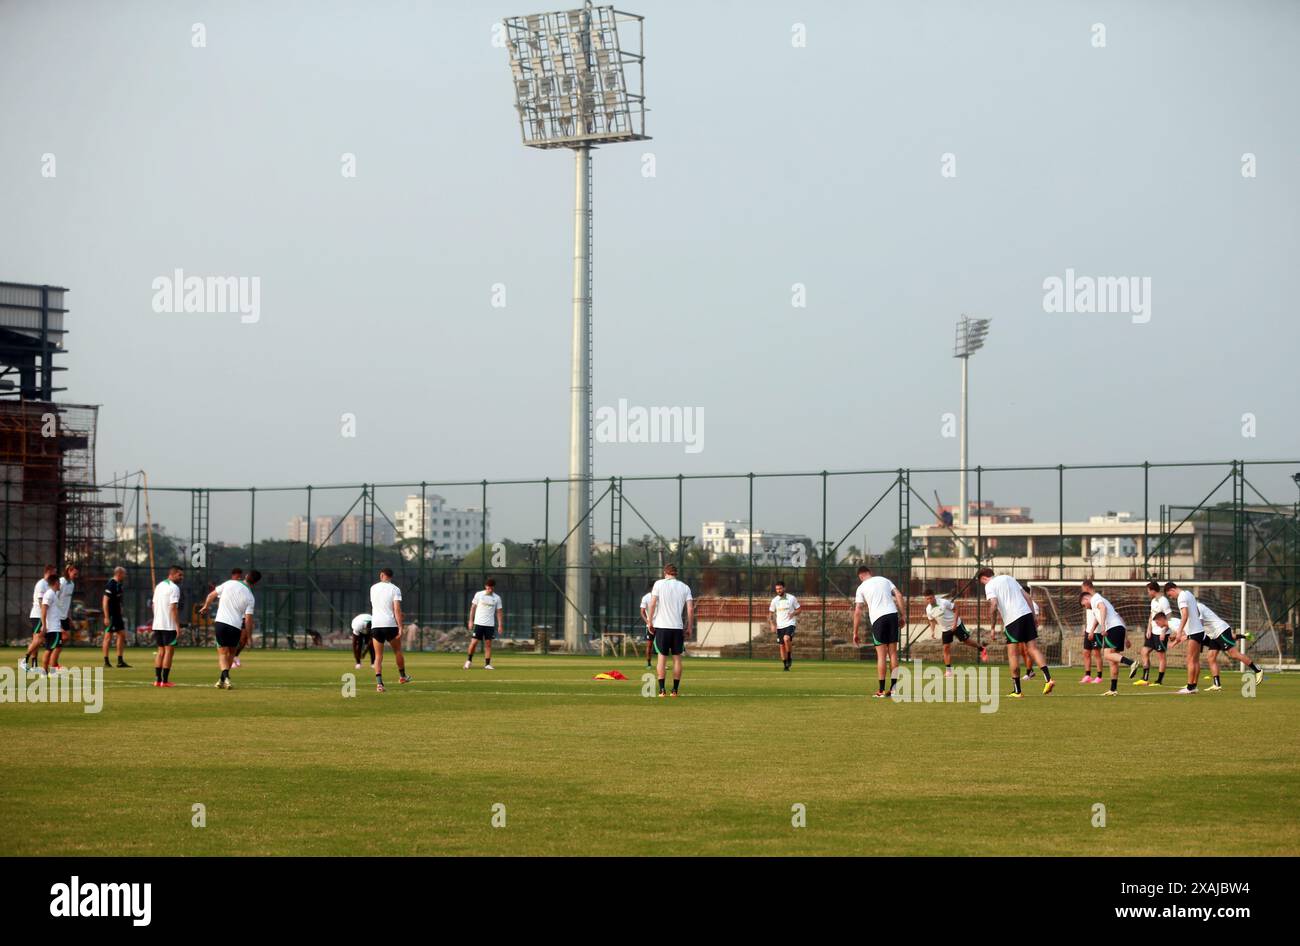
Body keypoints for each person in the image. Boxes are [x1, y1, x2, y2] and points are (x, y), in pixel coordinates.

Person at [977, 568, 1053, 698]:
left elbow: (994, 605)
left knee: (1012, 654)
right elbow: (1028, 597)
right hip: (1027, 615)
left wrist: (992, 627)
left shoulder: (989, 585)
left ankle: (1017, 691)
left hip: (1013, 620)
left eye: (982, 582)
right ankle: (1048, 679)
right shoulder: (1009, 578)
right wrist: (1034, 617)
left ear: (983, 578)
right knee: (1033, 648)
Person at [200, 569, 260, 690]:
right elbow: (248, 620)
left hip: (221, 623)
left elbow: (211, 595)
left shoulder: (229, 583)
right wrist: (248, 637)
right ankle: (223, 679)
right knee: (231, 653)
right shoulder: (250, 597)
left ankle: (225, 677)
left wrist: (205, 606)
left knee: (222, 653)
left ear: (246, 576)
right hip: (236, 627)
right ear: (255, 583)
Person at [852, 565, 906, 699]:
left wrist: (855, 632)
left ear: (860, 576)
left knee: (881, 656)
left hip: (878, 619)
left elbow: (858, 610)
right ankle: (894, 689)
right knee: (893, 653)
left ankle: (881, 690)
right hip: (892, 615)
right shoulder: (884, 580)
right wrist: (903, 615)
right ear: (870, 573)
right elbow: (898, 594)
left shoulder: (861, 587)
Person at [646, 563, 693, 697]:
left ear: (665, 573)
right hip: (677, 627)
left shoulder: (659, 584)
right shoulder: (685, 587)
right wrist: (689, 626)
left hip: (662, 626)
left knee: (662, 658)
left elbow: (653, 603)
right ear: (676, 573)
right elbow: (690, 608)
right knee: (677, 659)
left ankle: (662, 690)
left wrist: (650, 621)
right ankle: (675, 690)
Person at [1081, 588, 1137, 695]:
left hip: (1112, 629)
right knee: (1113, 661)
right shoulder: (1100, 602)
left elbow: (1103, 608)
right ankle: (1113, 689)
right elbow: (1119, 617)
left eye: (1083, 605)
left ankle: (1131, 663)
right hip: (1119, 628)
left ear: (1085, 598)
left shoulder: (1095, 598)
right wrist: (1126, 637)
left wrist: (1103, 627)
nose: (1085, 607)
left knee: (1107, 655)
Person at [923, 588, 987, 677]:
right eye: (927, 599)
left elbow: (956, 608)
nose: (929, 600)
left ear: (934, 597)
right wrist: (932, 631)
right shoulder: (928, 609)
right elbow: (931, 620)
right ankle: (948, 671)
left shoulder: (943, 602)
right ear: (925, 599)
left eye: (930, 598)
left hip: (956, 625)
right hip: (945, 629)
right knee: (946, 648)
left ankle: (981, 648)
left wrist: (954, 624)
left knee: (966, 641)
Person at [369, 568, 410, 692]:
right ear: (391, 577)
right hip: (390, 624)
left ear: (382, 575)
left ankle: (379, 684)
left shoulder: (373, 588)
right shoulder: (395, 589)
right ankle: (402, 676)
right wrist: (401, 627)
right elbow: (396, 609)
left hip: (376, 625)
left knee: (378, 655)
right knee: (397, 651)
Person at [151, 565, 184, 688]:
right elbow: (173, 608)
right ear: (172, 574)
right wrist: (177, 625)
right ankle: (164, 681)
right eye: (179, 575)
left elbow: (154, 605)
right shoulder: (174, 588)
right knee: (169, 652)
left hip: (157, 624)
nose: (182, 577)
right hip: (168, 625)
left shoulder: (159, 586)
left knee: (160, 652)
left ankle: (157, 680)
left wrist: (157, 618)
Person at [21, 564, 57, 672]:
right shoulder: (42, 584)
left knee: (37, 639)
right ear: (49, 572)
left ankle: (34, 665)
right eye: (54, 572)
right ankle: (24, 660)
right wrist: (44, 618)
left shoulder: (49, 585)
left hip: (41, 616)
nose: (56, 574)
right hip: (37, 615)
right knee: (39, 639)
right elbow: (41, 602)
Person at [1136, 580, 1171, 687]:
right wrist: (1148, 629)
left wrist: (1164, 631)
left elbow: (1169, 616)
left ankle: (1159, 681)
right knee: (1144, 651)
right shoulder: (1153, 601)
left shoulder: (1163, 601)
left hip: (1161, 632)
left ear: (1152, 590)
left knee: (1161, 656)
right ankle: (1145, 678)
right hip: (1152, 632)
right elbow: (1152, 616)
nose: (1148, 593)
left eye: (1148, 591)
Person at [464, 577, 504, 670]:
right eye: (489, 587)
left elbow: (499, 612)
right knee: (474, 642)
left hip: (490, 625)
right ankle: (469, 661)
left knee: (488, 644)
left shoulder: (497, 598)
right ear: (486, 586)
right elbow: (473, 608)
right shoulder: (479, 594)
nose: (490, 589)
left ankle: (487, 664)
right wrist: (470, 621)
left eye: (492, 588)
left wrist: (500, 625)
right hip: (478, 624)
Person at [101, 566, 131, 668]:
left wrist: (120, 609)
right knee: (108, 637)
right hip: (111, 615)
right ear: (119, 574)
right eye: (124, 574)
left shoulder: (119, 585)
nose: (125, 576)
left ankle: (120, 661)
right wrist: (106, 616)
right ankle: (106, 661)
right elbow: (105, 601)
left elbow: (118, 600)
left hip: (117, 615)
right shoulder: (111, 584)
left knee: (122, 634)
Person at [769, 581, 800, 671]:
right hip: (780, 626)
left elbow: (799, 609)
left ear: (784, 588)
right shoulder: (774, 600)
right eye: (777, 589)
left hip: (790, 624)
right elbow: (770, 613)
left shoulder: (791, 598)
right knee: (781, 645)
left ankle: (789, 657)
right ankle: (785, 666)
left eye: (780, 588)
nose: (778, 590)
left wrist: (793, 613)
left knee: (786, 639)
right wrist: (772, 624)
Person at [38, 575, 64, 676]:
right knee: (56, 649)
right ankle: (52, 672)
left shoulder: (52, 594)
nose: (60, 585)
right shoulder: (50, 594)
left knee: (49, 650)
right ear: (56, 582)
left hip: (53, 627)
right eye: (59, 582)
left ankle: (44, 672)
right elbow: (44, 609)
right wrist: (44, 625)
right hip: (53, 628)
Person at [639, 588, 654, 669]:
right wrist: (648, 622)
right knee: (649, 645)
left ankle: (662, 664)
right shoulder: (646, 597)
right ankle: (648, 663)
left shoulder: (661, 596)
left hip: (661, 625)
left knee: (662, 646)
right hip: (650, 626)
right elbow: (642, 611)